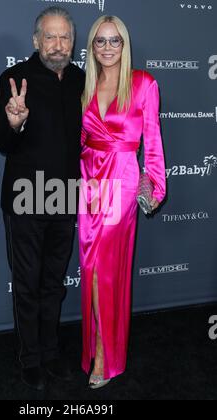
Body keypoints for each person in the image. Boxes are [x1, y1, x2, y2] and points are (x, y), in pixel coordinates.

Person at [0, 7, 85, 391]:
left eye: (64, 37)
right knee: (27, 284)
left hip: (66, 195)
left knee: (53, 283)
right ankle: (29, 359)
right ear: (35, 41)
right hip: (26, 197)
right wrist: (14, 123)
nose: (58, 45)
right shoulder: (14, 78)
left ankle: (50, 353)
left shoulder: (82, 78)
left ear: (73, 42)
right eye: (50, 36)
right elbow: (2, 143)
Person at [79, 15, 166, 389]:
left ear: (125, 44)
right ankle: (100, 346)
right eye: (101, 41)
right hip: (87, 179)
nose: (108, 48)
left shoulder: (143, 83)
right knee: (89, 266)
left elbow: (154, 141)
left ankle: (103, 353)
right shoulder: (86, 85)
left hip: (123, 178)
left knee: (103, 268)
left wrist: (155, 186)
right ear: (92, 46)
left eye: (115, 41)